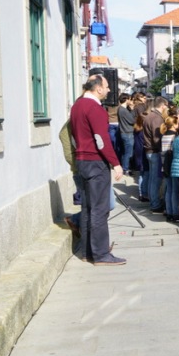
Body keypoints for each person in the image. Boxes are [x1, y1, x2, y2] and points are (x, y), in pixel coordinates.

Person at [70, 73, 124, 266]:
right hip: (95, 161)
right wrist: (115, 163)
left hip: (82, 160)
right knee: (99, 210)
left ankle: (87, 251)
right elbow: (102, 140)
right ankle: (101, 254)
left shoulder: (76, 106)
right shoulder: (95, 108)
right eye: (107, 86)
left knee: (87, 208)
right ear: (98, 88)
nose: (109, 90)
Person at [141, 96, 167, 213]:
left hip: (149, 151)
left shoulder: (149, 116)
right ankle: (155, 204)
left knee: (152, 178)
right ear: (162, 106)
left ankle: (153, 202)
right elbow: (157, 138)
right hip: (154, 151)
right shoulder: (156, 118)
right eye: (166, 106)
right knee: (156, 179)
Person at [160, 115, 179, 223]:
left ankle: (169, 212)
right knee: (174, 191)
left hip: (165, 165)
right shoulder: (174, 136)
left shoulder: (164, 135)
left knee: (169, 190)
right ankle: (175, 212)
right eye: (177, 123)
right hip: (172, 165)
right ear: (173, 125)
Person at [116, 94, 135, 173]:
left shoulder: (120, 109)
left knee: (125, 151)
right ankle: (126, 168)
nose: (130, 101)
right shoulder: (124, 110)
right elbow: (132, 120)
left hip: (124, 132)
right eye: (130, 99)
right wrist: (133, 110)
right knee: (128, 152)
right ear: (126, 99)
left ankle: (124, 166)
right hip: (128, 133)